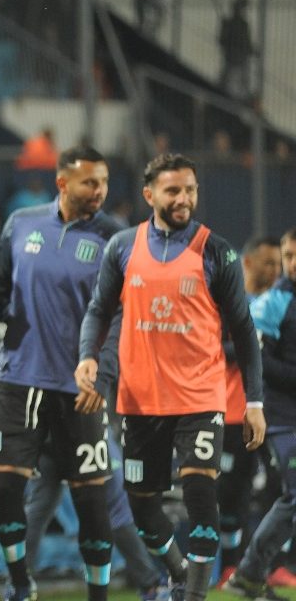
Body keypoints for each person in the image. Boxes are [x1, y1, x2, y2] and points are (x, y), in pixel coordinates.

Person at [76, 153, 266, 601]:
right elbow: (99, 310)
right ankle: (179, 573)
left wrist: (254, 402)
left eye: (190, 190)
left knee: (202, 495)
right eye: (173, 191)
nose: (184, 199)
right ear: (150, 195)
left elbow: (243, 331)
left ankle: (194, 596)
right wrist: (88, 356)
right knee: (143, 507)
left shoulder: (217, 250)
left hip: (200, 397)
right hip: (140, 401)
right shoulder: (122, 246)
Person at [0, 146, 125, 601]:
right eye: (90, 182)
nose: (99, 191)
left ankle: (98, 596)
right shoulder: (21, 222)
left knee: (91, 502)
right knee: (4, 492)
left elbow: (122, 317)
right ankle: (20, 582)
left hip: (79, 388)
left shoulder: (115, 238)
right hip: (18, 378)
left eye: (103, 182)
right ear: (62, 183)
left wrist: (102, 378)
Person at [226, 228, 296, 600]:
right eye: (288, 256)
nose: (290, 264)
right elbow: (255, 357)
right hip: (281, 418)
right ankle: (249, 569)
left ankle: (253, 571)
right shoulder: (272, 303)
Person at [217, 236, 283, 586]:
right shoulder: (229, 303)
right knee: (232, 490)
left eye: (278, 264)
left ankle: (273, 564)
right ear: (248, 263)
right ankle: (229, 565)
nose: (274, 270)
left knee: (280, 488)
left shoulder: (279, 304)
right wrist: (249, 345)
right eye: (268, 263)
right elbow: (212, 349)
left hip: (276, 412)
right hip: (233, 410)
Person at [219, 0, 255, 101]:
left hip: (239, 58)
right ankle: (228, 98)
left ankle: (238, 98)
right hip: (233, 58)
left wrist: (250, 50)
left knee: (240, 80)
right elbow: (222, 40)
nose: (244, 11)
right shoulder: (230, 23)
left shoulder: (242, 24)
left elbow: (246, 42)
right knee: (231, 79)